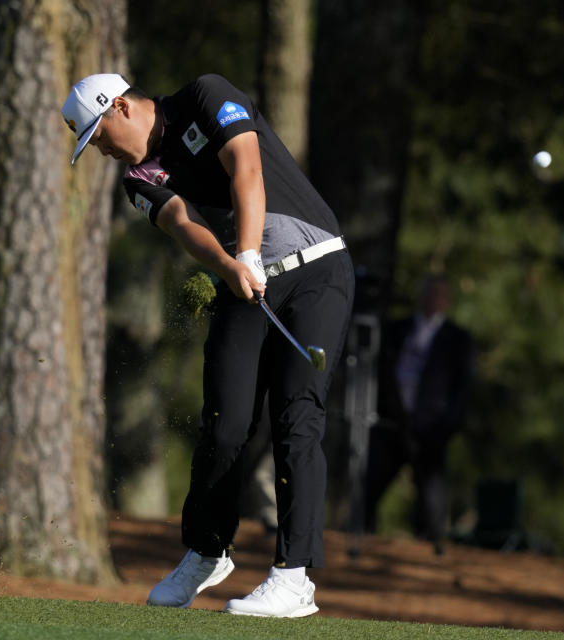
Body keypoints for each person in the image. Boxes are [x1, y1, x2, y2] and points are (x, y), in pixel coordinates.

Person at [62, 73, 354, 617]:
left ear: (121, 106)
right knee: (223, 423)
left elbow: (247, 167)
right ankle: (206, 550)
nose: (101, 149)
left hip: (316, 271)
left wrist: (246, 251)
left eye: (99, 135)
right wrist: (228, 264)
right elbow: (181, 221)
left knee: (296, 418)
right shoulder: (137, 176)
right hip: (242, 281)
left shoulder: (205, 97)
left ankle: (294, 576)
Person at [366, 274, 474, 555]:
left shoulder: (458, 339)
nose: (432, 299)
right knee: (371, 483)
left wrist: (448, 424)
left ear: (446, 300)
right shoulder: (396, 329)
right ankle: (361, 536)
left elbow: (462, 388)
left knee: (431, 491)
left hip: (431, 427)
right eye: (428, 293)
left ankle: (433, 545)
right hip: (391, 422)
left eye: (438, 294)